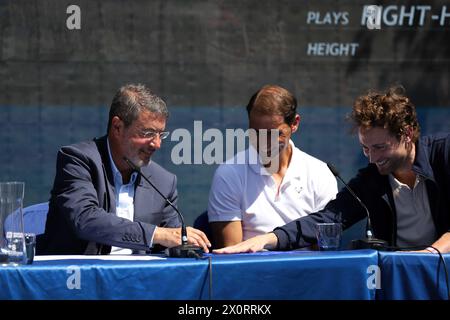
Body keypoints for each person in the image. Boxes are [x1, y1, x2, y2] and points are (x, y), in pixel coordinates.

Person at [214, 85, 450, 254]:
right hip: (398, 276)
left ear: (407, 134)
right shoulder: (371, 180)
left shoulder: (444, 153)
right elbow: (327, 219)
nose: (373, 158)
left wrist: (432, 254)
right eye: (365, 148)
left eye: (380, 147)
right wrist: (269, 239)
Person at [37, 84, 210, 255]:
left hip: (138, 279)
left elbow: (171, 240)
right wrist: (156, 234)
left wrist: (191, 246)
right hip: (78, 278)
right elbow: (85, 220)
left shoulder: (164, 181)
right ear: (117, 127)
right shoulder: (78, 160)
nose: (157, 144)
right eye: (148, 133)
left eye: (161, 134)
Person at [207, 85, 338, 248]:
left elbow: (325, 252)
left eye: (273, 134)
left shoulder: (320, 173)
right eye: (256, 132)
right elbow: (232, 256)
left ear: (294, 124)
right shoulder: (229, 174)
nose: (263, 142)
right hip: (251, 273)